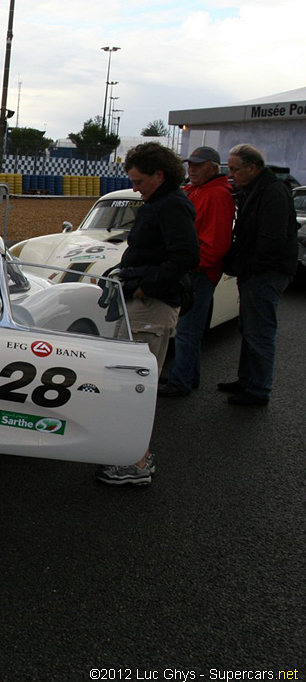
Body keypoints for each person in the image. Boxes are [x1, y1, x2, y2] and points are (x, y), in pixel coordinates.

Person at [96, 142, 199, 486]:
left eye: (139, 180)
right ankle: (130, 452)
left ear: (160, 174)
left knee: (137, 384)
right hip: (143, 302)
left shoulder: (172, 205)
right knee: (129, 381)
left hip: (152, 307)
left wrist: (146, 286)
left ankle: (137, 462)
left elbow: (186, 255)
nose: (135, 187)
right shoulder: (163, 202)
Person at [217, 143, 299, 406]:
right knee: (250, 328)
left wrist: (248, 268)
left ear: (252, 168)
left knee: (260, 331)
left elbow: (270, 239)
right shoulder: (257, 189)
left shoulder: (272, 192)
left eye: (235, 169)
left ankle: (259, 389)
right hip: (258, 271)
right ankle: (247, 380)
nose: (232, 175)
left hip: (265, 274)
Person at [158, 146, 235, 397]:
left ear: (214, 167)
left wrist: (188, 266)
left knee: (187, 328)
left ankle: (181, 381)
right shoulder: (196, 190)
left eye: (199, 165)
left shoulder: (217, 195)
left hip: (200, 271)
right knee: (188, 327)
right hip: (193, 268)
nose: (192, 168)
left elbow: (216, 242)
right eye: (190, 164)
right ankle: (188, 374)